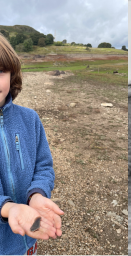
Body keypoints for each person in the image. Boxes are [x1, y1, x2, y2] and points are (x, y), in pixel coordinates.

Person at [0, 33, 64, 255]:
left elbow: (44, 166)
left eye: (0, 72)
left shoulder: (30, 119)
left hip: (27, 240)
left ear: (12, 74)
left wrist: (36, 194)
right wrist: (8, 208)